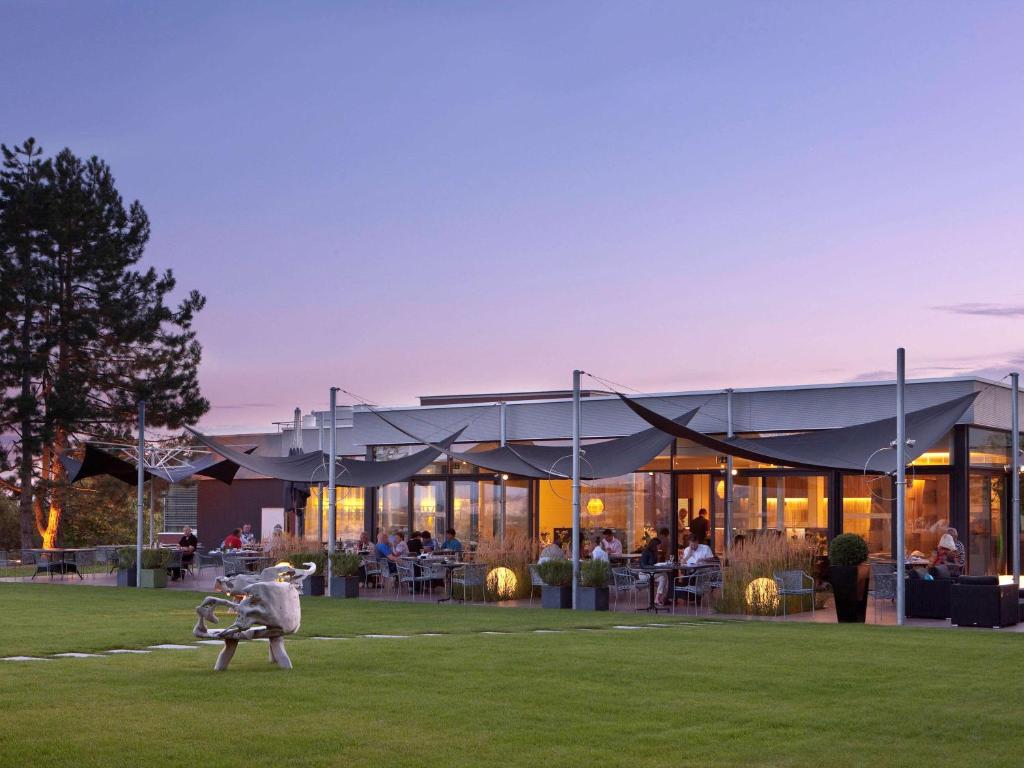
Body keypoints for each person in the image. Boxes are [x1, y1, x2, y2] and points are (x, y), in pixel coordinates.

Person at [639, 537, 669, 607]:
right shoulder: (646, 552)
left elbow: (653, 563)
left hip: (652, 573)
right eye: (658, 545)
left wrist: (656, 565)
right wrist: (655, 566)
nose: (659, 547)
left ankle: (657, 598)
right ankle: (665, 595)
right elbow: (643, 566)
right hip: (644, 574)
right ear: (655, 545)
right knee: (664, 574)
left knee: (662, 578)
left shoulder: (654, 552)